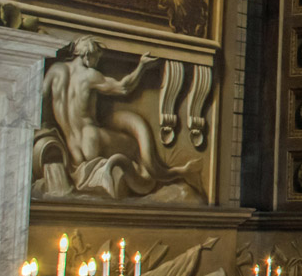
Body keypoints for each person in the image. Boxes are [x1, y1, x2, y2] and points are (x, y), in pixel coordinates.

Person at [37, 36, 198, 198]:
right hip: (92, 139)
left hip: (72, 150)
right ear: (87, 55)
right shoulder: (89, 76)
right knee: (135, 147)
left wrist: (43, 128)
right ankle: (165, 175)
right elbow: (124, 88)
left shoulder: (55, 71)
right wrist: (141, 66)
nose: (96, 62)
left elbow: (40, 97)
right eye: (96, 58)